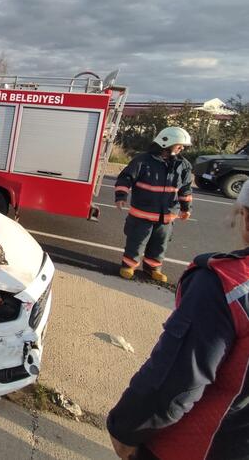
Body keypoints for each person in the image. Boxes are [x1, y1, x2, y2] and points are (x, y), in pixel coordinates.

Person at [106, 180, 249, 460]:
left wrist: (125, 429)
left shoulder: (225, 287)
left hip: (195, 447)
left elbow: (174, 381)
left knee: (155, 248)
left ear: (245, 216)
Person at [114, 127, 194, 282]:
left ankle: (153, 268)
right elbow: (125, 178)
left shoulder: (183, 165)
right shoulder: (143, 161)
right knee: (136, 242)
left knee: (160, 244)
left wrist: (186, 208)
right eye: (179, 145)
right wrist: (121, 196)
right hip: (142, 215)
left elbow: (185, 189)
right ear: (167, 142)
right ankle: (129, 266)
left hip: (167, 217)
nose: (182, 148)